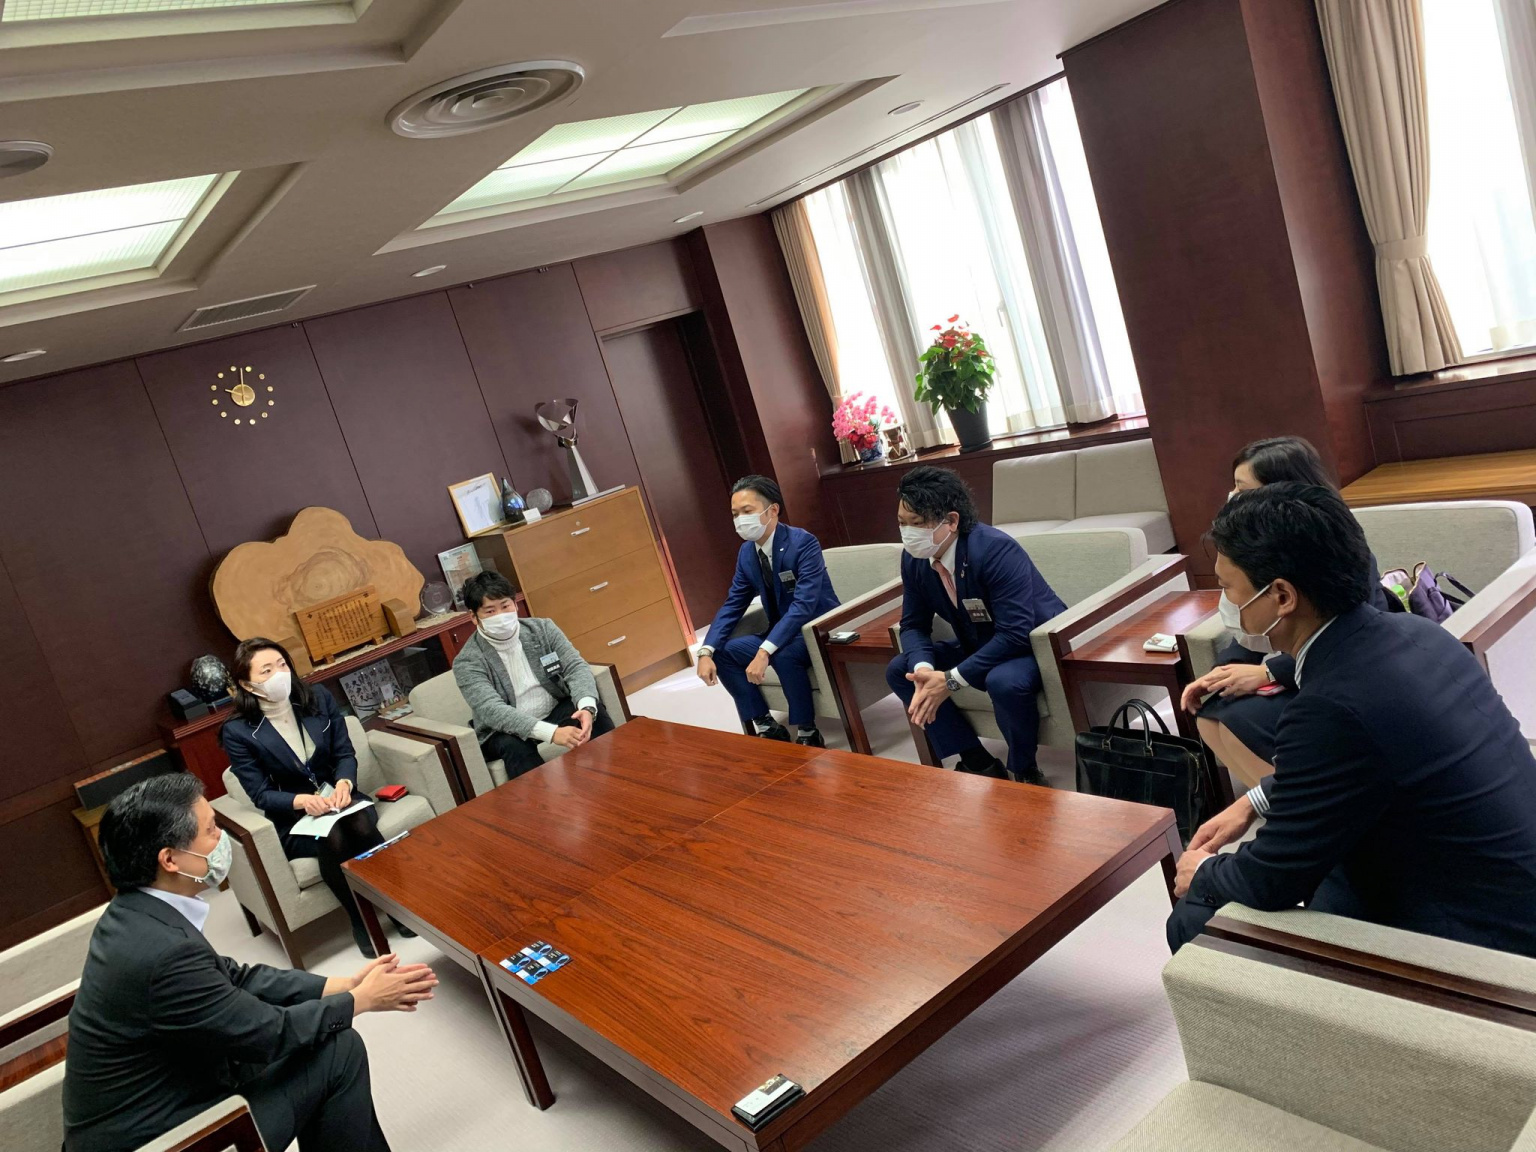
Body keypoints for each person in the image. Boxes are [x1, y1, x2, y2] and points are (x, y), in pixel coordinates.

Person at [1167, 482, 1536, 955]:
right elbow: (1367, 761)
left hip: (1480, 941)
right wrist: (1255, 801)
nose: (1226, 604)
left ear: (1281, 596)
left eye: (1227, 588)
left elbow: (1270, 881)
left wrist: (1203, 870)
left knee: (1196, 918)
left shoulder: (1328, 709)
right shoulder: (1418, 633)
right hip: (1507, 883)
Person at [63, 773, 438, 1152]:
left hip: (173, 1086)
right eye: (211, 830)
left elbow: (236, 977)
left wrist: (341, 985)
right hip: (166, 1134)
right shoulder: (163, 953)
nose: (221, 839)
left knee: (329, 1042)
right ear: (170, 859)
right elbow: (267, 1034)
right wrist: (361, 1001)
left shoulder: (135, 911)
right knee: (338, 1052)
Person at [1185, 436, 1392, 788]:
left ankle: (1299, 805)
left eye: (1242, 489)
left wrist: (1267, 673)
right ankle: (1277, 806)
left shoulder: (1336, 551)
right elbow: (1249, 627)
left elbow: (1351, 640)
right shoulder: (1259, 553)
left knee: (1238, 724)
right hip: (1294, 669)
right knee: (1210, 717)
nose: (1232, 498)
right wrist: (1222, 672)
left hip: (1331, 677)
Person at [221, 638, 411, 958]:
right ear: (247, 684)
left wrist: (345, 783)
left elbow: (344, 753)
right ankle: (360, 918)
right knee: (333, 836)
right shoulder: (238, 731)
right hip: (294, 817)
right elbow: (260, 794)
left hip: (341, 799)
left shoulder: (317, 697)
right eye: (266, 671)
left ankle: (395, 907)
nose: (279, 674)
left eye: (282, 664)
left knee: (360, 824)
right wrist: (303, 801)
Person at [885, 466, 1066, 784]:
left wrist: (951, 680)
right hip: (979, 643)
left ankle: (1024, 770)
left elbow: (1015, 633)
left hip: (1031, 646)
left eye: (917, 523)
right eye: (902, 523)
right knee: (901, 669)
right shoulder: (914, 558)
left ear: (951, 521)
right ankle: (977, 760)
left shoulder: (995, 549)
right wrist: (925, 669)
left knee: (1003, 681)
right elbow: (913, 624)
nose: (908, 533)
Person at [695, 474, 840, 746]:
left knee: (782, 654)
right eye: (735, 514)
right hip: (779, 631)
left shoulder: (803, 543)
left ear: (772, 510)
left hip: (815, 628)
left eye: (747, 511)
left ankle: (807, 730)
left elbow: (804, 605)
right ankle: (765, 723)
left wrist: (765, 651)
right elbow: (734, 603)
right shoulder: (746, 553)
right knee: (724, 653)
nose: (740, 520)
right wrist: (706, 651)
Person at [452, 570, 615, 780]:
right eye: (490, 611)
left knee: (592, 711)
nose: (500, 616)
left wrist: (587, 706)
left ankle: (618, 774)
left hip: (553, 710)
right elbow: (492, 710)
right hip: (504, 730)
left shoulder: (543, 629)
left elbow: (575, 667)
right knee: (513, 746)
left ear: (515, 604)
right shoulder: (467, 661)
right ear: (474, 617)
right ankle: (543, 799)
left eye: (505, 606)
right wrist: (551, 733)